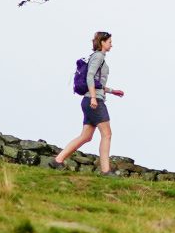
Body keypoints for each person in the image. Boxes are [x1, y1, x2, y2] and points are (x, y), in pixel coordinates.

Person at [51, 31, 124, 173]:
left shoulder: (97, 57)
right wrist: (93, 98)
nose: (111, 45)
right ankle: (105, 171)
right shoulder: (98, 56)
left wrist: (112, 91)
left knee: (86, 136)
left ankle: (58, 160)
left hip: (89, 100)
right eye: (109, 42)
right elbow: (90, 77)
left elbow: (96, 82)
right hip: (93, 101)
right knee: (107, 134)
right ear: (102, 42)